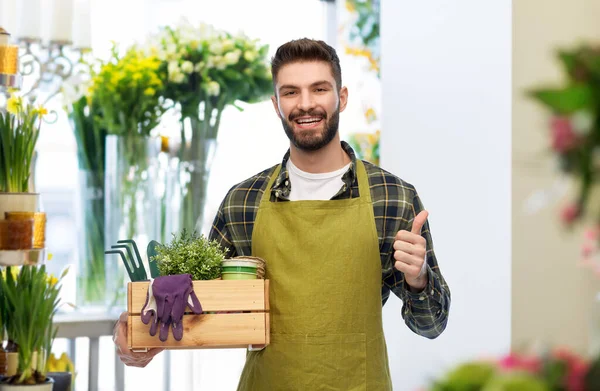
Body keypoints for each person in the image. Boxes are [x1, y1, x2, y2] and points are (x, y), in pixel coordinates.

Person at [113, 38, 451, 390]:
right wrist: (138, 327)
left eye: (319, 89)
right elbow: (200, 306)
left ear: (342, 97)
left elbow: (431, 326)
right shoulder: (243, 202)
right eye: (291, 92)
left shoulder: (392, 197)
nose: (305, 104)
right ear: (276, 104)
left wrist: (419, 278)